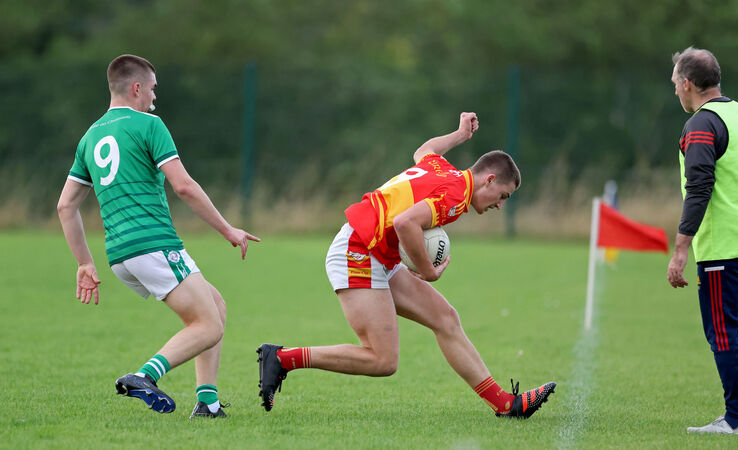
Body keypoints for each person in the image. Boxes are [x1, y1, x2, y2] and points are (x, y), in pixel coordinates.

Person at [257, 112, 556, 419]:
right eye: (502, 196)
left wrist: (459, 135)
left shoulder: (447, 173)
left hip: (379, 253)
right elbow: (405, 222)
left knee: (446, 318)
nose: (500, 205)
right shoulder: (455, 195)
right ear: (489, 180)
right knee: (383, 360)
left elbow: (424, 152)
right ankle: (282, 359)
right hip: (357, 251)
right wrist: (428, 272)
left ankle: (505, 404)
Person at [57, 54, 260, 419]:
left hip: (119, 253)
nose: (154, 97)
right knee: (208, 324)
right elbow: (183, 186)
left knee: (216, 306)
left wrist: (84, 262)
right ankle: (143, 376)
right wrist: (228, 229)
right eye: (152, 89)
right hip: (153, 244)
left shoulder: (90, 137)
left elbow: (65, 206)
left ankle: (208, 403)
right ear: (136, 88)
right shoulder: (149, 125)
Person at [666, 47, 738, 434]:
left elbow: (699, 187)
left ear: (687, 83)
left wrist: (681, 248)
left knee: (722, 332)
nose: (675, 93)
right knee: (737, 329)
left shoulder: (702, 123)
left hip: (724, 245)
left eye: (675, 85)